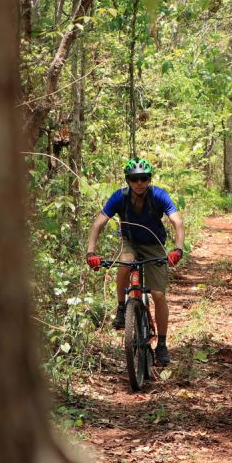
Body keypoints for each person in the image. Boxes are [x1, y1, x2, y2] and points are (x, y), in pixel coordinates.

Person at [86, 157, 185, 366]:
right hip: (130, 241)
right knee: (126, 263)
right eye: (134, 179)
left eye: (143, 178)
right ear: (128, 181)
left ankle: (163, 345)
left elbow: (177, 222)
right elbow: (98, 224)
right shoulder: (119, 197)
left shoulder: (158, 195)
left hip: (154, 244)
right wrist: (90, 252)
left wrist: (178, 249)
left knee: (158, 294)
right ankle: (122, 308)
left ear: (149, 180)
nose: (139, 183)